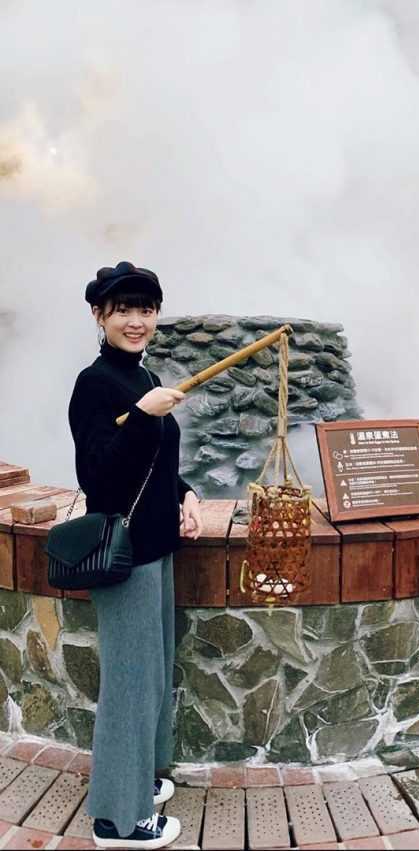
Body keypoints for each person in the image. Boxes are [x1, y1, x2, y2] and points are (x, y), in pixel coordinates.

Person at [68, 261, 203, 849]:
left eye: (146, 309)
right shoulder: (94, 382)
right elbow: (99, 474)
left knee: (151, 673)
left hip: (156, 547)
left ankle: (138, 781)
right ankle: (118, 820)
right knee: (128, 680)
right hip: (124, 555)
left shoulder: (141, 372)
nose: (137, 320)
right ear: (99, 315)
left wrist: (186, 492)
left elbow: (155, 464)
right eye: (124, 309)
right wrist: (145, 416)